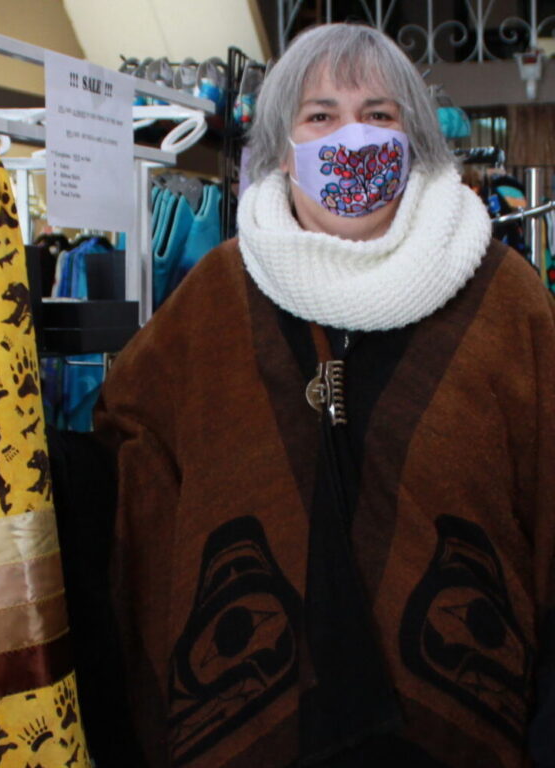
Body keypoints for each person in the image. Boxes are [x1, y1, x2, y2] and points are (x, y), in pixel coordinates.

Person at [85, 22, 555, 768]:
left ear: (417, 142)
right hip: (255, 719)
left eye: (378, 114)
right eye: (320, 115)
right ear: (279, 151)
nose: (352, 137)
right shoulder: (214, 298)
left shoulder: (504, 298)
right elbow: (128, 462)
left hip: (457, 728)